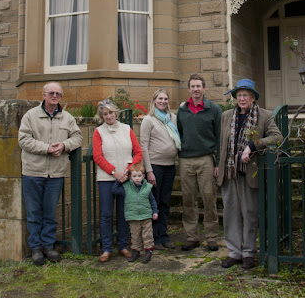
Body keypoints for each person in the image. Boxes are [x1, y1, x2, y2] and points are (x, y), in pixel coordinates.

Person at [217, 79, 282, 269]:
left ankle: (249, 253)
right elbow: (222, 144)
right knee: (230, 214)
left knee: (250, 214)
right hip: (229, 172)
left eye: (246, 95)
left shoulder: (264, 116)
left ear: (253, 97)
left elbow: (277, 137)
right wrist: (218, 165)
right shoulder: (226, 115)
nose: (242, 98)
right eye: (239, 95)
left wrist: (252, 146)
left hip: (249, 174)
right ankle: (234, 252)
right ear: (235, 97)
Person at [18, 82, 82, 266]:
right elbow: (23, 139)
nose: (55, 96)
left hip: (56, 173)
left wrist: (63, 146)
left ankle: (48, 245)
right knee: (33, 212)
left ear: (61, 97)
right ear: (44, 95)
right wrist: (46, 148)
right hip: (33, 171)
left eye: (58, 93)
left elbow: (77, 137)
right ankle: (36, 248)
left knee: (50, 213)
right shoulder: (31, 116)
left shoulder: (67, 118)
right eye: (51, 93)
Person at [92, 98, 143, 263]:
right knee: (106, 214)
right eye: (105, 114)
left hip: (126, 178)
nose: (108, 116)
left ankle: (122, 246)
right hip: (107, 178)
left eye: (111, 113)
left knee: (123, 213)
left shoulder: (127, 129)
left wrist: (127, 172)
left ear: (116, 112)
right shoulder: (98, 132)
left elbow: (138, 153)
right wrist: (114, 172)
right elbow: (98, 157)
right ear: (102, 116)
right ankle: (106, 248)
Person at [177, 74, 221, 251]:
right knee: (188, 200)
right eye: (192, 86)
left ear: (204, 88)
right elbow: (179, 133)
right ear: (189, 89)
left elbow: (219, 137)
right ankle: (192, 237)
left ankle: (211, 237)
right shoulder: (182, 110)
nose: (196, 89)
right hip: (185, 159)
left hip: (206, 159)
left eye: (198, 86)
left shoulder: (214, 109)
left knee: (209, 198)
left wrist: (217, 163)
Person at [140, 88, 180, 251]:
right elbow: (144, 146)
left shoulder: (172, 118)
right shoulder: (148, 120)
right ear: (154, 100)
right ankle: (154, 238)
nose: (163, 101)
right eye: (160, 98)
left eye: (165, 99)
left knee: (165, 202)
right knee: (154, 203)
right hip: (155, 167)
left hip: (170, 166)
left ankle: (164, 236)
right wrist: (149, 171)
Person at [113, 162, 158, 264]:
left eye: (139, 176)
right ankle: (136, 251)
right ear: (130, 177)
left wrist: (155, 211)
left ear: (143, 176)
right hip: (133, 217)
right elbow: (114, 190)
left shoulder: (147, 187)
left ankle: (148, 251)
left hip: (146, 215)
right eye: (134, 176)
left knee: (147, 235)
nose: (137, 178)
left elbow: (152, 200)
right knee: (135, 235)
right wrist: (120, 180)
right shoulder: (126, 188)